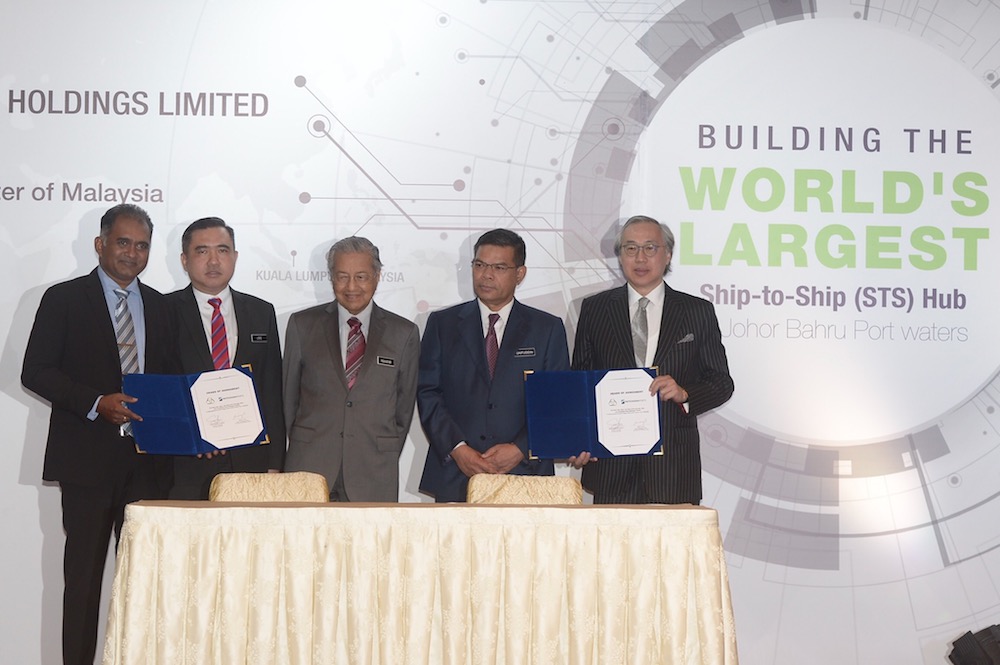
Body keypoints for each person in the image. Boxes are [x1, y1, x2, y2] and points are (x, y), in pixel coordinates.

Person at [21, 204, 177, 664]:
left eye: (142, 245)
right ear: (100, 244)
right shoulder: (63, 299)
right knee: (84, 582)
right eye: (123, 242)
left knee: (146, 581)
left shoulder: (163, 308)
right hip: (87, 464)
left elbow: (173, 381)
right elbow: (36, 371)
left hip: (149, 466)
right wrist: (95, 403)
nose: (132, 253)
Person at [571, 214, 734, 504]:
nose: (640, 258)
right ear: (620, 256)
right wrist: (579, 438)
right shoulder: (595, 309)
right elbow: (579, 384)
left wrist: (685, 393)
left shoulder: (697, 311)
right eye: (630, 248)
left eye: (650, 248)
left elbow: (721, 383)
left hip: (673, 468)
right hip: (611, 467)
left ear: (667, 254)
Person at [418, 228, 570, 502]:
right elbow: (428, 393)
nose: (486, 275)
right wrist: (459, 449)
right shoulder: (443, 324)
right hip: (457, 472)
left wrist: (520, 448)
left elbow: (556, 401)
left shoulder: (547, 328)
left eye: (499, 267)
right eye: (480, 265)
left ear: (520, 274)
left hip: (526, 473)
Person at [283, 236, 419, 501]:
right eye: (342, 276)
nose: (351, 287)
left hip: (374, 470)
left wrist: (382, 449)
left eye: (362, 277)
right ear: (331, 277)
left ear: (377, 277)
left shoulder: (403, 333)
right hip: (310, 466)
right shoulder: (301, 325)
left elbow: (404, 409)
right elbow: (289, 400)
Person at [165, 217, 286, 499]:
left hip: (250, 463)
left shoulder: (261, 312)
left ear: (235, 256)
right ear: (184, 259)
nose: (213, 261)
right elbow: (163, 389)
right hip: (186, 463)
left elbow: (271, 389)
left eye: (222, 250)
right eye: (202, 251)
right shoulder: (164, 310)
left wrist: (275, 462)